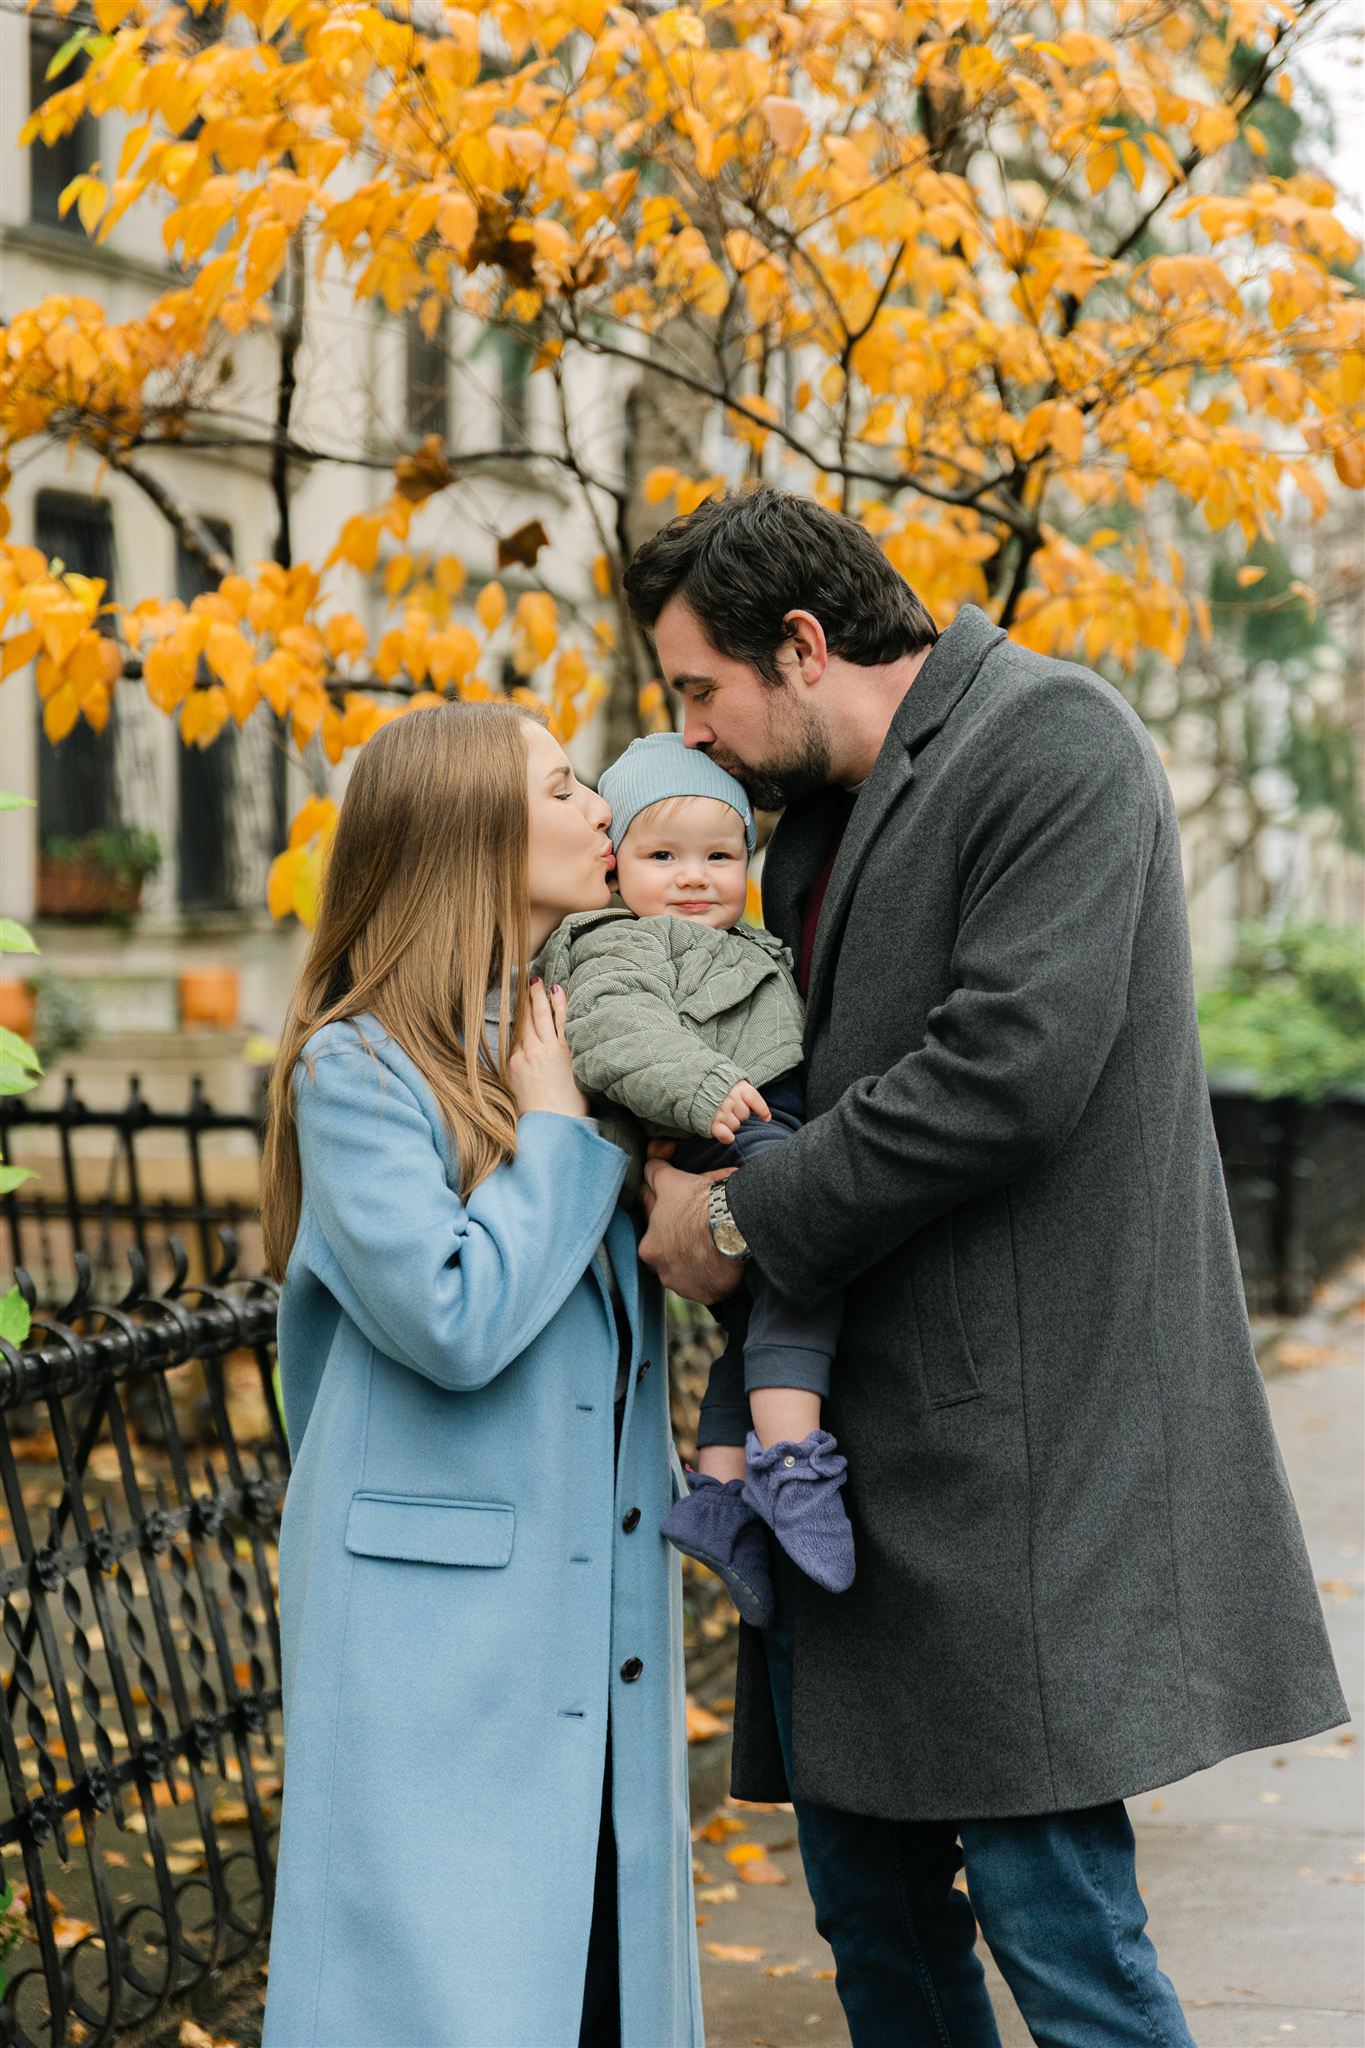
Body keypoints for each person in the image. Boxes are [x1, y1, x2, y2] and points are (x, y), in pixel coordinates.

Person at [625, 488, 1348, 2047]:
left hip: (1018, 1471)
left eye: (700, 690)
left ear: (802, 646)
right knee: (877, 1939)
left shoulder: (1052, 741)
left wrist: (741, 1219)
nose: (694, 734)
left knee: (1064, 1949)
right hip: (844, 1476)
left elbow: (1003, 1075)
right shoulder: (809, 813)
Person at [258, 701, 702, 2048]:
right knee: (451, 1999)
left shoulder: (559, 1043)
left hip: (592, 1610)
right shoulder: (358, 1068)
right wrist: (561, 1141)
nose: (598, 813)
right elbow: (448, 1320)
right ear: (470, 828)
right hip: (431, 1644)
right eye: (564, 789)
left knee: (591, 1990)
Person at [537, 731, 854, 1628]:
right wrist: (706, 1087)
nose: (694, 876)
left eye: (720, 855)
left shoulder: (744, 941)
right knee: (808, 1259)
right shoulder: (618, 944)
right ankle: (792, 1462)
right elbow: (615, 1031)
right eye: (662, 854)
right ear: (616, 863)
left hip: (757, 1121)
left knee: (754, 1325)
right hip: (720, 1130)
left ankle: (718, 1492)